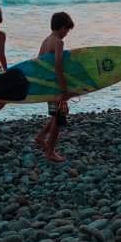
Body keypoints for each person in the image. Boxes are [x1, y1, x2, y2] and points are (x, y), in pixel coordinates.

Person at [34, 11, 75, 162]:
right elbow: (58, 65)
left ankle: (40, 136)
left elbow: (38, 62)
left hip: (47, 83)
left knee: (57, 113)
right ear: (62, 27)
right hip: (55, 85)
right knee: (58, 118)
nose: (67, 34)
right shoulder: (58, 42)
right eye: (67, 30)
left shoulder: (46, 40)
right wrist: (64, 89)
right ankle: (50, 151)